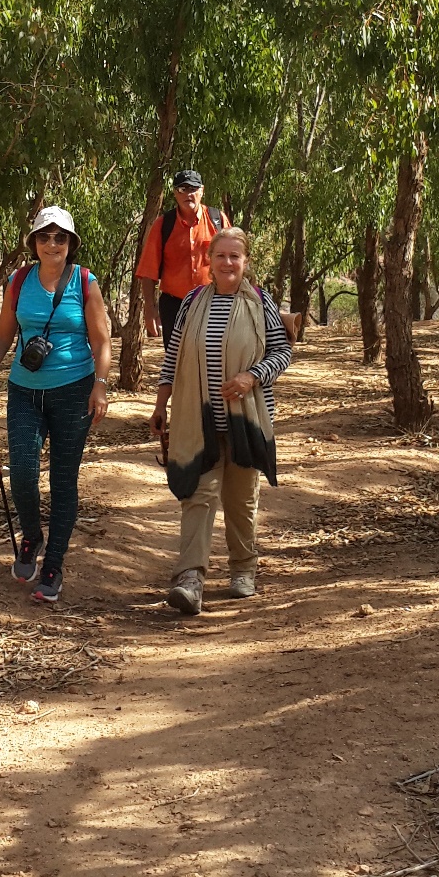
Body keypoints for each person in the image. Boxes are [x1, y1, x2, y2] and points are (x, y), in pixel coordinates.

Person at [0, 206, 111, 605]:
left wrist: (99, 386)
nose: (52, 243)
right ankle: (31, 535)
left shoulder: (85, 282)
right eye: (44, 236)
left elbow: (102, 341)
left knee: (64, 481)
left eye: (60, 237)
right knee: (23, 476)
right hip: (24, 391)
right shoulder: (18, 281)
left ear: (71, 244)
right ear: (33, 242)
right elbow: (3, 334)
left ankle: (54, 564)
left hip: (73, 389)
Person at [149, 228, 291, 617]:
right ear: (208, 261)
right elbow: (173, 356)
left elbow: (282, 352)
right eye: (220, 256)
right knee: (199, 495)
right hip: (198, 419)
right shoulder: (194, 301)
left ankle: (243, 569)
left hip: (247, 419)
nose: (227, 263)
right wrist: (160, 405)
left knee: (240, 500)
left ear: (245, 263)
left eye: (235, 257)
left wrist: (252, 376)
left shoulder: (261, 302)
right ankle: (190, 578)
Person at [135, 170, 230, 349]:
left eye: (193, 188)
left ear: (202, 190)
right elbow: (148, 270)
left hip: (214, 303)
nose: (189, 194)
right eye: (183, 189)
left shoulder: (218, 220)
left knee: (213, 356)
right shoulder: (163, 225)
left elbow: (235, 262)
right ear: (175, 193)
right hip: (174, 306)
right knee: (176, 361)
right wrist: (150, 309)